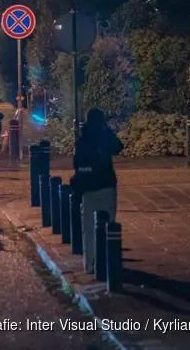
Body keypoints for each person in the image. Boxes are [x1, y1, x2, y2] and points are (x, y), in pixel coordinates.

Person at [70, 108, 124, 274]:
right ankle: (106, 263)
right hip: (107, 186)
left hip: (88, 189)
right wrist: (106, 129)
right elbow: (118, 147)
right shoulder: (105, 138)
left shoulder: (81, 141)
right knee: (108, 225)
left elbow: (77, 165)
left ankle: (90, 264)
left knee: (89, 229)